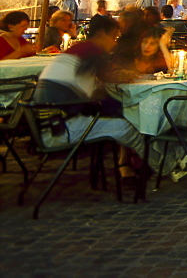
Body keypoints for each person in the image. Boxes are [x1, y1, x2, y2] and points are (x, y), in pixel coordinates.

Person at [34, 14, 146, 174]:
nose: (114, 43)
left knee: (117, 108)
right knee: (130, 127)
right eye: (113, 37)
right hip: (60, 129)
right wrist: (128, 74)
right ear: (101, 34)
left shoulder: (77, 51)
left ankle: (129, 164)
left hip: (44, 125)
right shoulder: (92, 51)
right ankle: (159, 166)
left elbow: (94, 90)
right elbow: (110, 75)